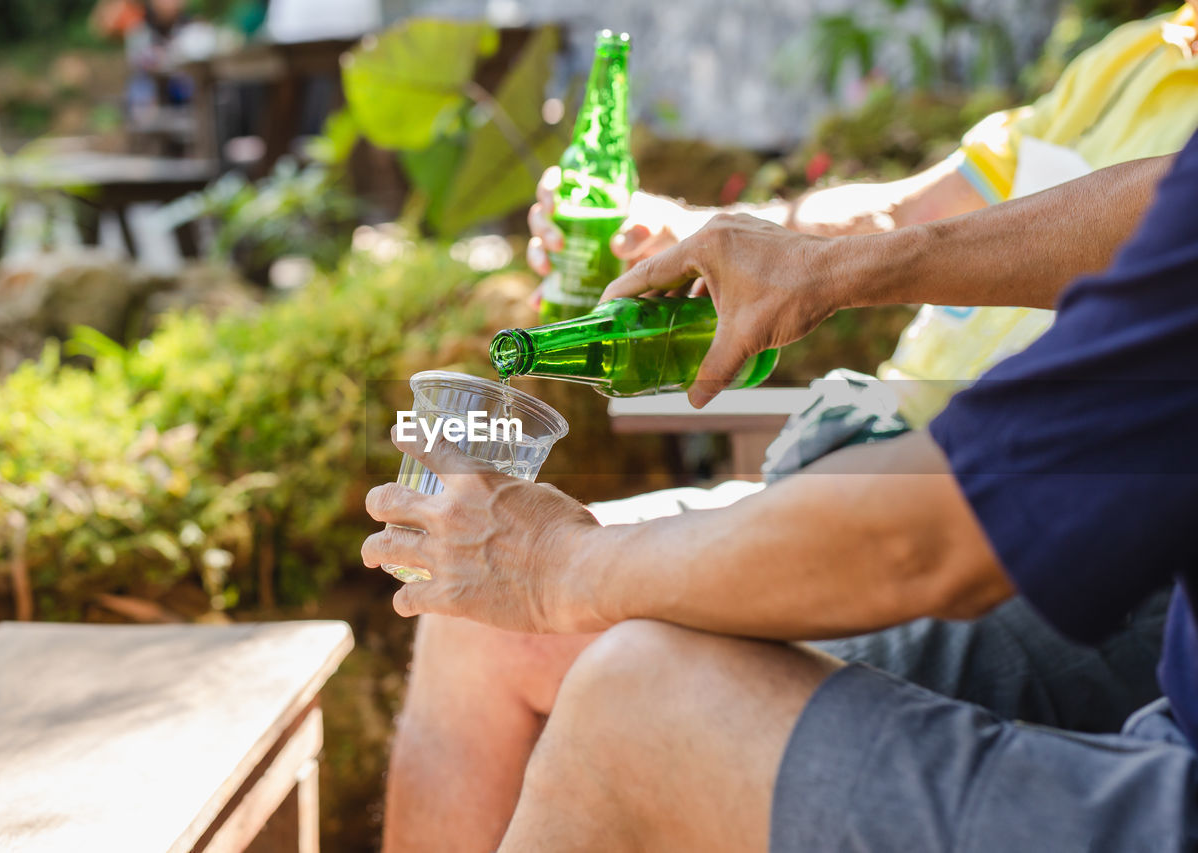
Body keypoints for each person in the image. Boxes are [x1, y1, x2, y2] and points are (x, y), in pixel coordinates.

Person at [375, 6, 1198, 850]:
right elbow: (912, 216)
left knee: (631, 694)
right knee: (484, 629)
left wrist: (561, 565)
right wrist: (721, 236)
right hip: (897, 470)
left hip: (1021, 534)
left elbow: (935, 539)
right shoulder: (1139, 57)